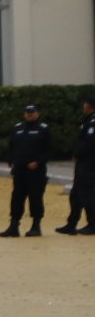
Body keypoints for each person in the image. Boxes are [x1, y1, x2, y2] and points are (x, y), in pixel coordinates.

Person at [2, 104, 49, 238]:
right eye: (27, 112)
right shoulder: (18, 128)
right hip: (19, 170)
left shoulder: (43, 129)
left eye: (32, 112)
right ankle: (13, 225)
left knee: (35, 197)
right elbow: (12, 146)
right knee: (17, 197)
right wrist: (11, 161)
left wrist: (39, 162)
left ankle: (36, 226)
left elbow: (49, 149)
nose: (29, 114)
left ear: (37, 114)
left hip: (36, 171)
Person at [57, 93, 95, 234]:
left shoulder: (93, 122)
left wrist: (78, 154)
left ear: (90, 106)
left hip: (89, 163)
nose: (83, 106)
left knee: (88, 194)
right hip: (83, 163)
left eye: (85, 103)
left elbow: (90, 142)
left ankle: (93, 224)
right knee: (76, 194)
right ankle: (71, 223)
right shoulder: (87, 120)